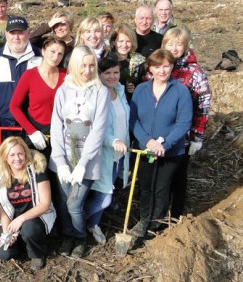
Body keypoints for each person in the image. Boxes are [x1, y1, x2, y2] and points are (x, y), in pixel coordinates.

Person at [49, 45, 109, 258]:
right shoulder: (63, 91)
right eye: (83, 65)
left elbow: (98, 130)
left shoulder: (100, 91)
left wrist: (83, 164)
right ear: (74, 65)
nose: (88, 70)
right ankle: (68, 236)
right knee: (64, 202)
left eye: (92, 65)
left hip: (87, 161)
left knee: (75, 203)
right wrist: (60, 161)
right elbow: (56, 127)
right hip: (63, 158)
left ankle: (80, 237)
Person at [129, 49, 193, 238]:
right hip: (145, 149)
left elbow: (183, 122)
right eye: (157, 67)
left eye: (166, 66)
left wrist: (165, 144)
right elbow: (133, 119)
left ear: (172, 66)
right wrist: (147, 140)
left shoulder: (180, 90)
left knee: (162, 187)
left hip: (171, 151)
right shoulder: (141, 90)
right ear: (150, 68)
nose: (162, 71)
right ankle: (144, 218)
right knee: (146, 186)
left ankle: (155, 224)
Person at [162, 27, 211, 218]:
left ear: (185, 46)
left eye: (178, 44)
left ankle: (176, 213)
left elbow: (203, 105)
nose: (174, 48)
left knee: (178, 175)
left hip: (183, 134)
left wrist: (197, 136)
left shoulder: (195, 72)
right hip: (160, 132)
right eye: (170, 44)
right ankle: (160, 210)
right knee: (161, 176)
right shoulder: (161, 66)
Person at [0, 136, 54, 271]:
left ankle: (37, 254)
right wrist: (6, 231)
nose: (17, 158)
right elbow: (3, 207)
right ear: (5, 157)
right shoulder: (0, 177)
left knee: (29, 229)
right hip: (12, 219)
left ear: (25, 154)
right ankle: (21, 243)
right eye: (12, 155)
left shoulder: (36, 171)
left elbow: (45, 204)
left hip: (36, 216)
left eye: (20, 154)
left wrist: (21, 219)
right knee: (4, 253)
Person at [85, 52, 130, 244]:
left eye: (116, 72)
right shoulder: (97, 95)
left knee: (107, 192)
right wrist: (113, 141)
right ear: (99, 74)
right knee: (104, 197)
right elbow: (97, 128)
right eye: (107, 73)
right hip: (104, 154)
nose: (112, 76)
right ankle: (75, 220)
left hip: (119, 155)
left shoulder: (119, 91)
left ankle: (93, 223)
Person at [10, 36, 67, 158]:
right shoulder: (30, 75)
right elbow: (14, 106)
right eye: (52, 52)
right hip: (37, 132)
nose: (56, 57)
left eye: (60, 54)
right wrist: (31, 131)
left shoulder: (66, 75)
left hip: (60, 133)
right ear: (43, 51)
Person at [0, 16, 42, 133]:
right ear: (6, 34)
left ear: (28, 33)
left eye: (20, 32)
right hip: (4, 126)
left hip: (34, 127)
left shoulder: (41, 58)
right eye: (12, 33)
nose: (16, 37)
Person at [109, 24, 146, 100]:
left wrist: (135, 88)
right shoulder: (107, 60)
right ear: (113, 42)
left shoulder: (139, 61)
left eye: (128, 41)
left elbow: (144, 84)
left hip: (132, 103)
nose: (124, 45)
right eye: (121, 41)